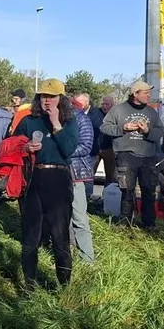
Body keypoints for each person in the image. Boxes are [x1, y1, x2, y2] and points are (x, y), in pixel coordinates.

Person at [14, 79, 80, 288]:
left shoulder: (70, 121)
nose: (47, 101)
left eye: (52, 96)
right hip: (35, 178)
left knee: (60, 238)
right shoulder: (28, 121)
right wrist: (25, 149)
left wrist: (56, 124)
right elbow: (11, 147)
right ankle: (29, 286)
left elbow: (68, 150)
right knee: (30, 237)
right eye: (43, 96)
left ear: (61, 99)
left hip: (59, 180)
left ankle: (64, 287)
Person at [100, 81, 164, 229]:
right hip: (126, 155)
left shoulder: (151, 112)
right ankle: (125, 223)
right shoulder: (118, 110)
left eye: (149, 92)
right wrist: (123, 128)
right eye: (145, 93)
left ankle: (149, 224)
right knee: (127, 191)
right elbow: (104, 127)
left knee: (149, 190)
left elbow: (159, 132)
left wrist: (148, 131)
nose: (149, 95)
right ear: (135, 94)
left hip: (148, 156)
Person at [67, 93, 96, 264]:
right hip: (57, 174)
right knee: (61, 218)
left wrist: (62, 151)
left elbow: (86, 145)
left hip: (75, 174)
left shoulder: (81, 119)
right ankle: (66, 253)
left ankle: (87, 260)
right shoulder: (50, 119)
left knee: (79, 218)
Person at [89, 96, 117, 190]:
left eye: (107, 104)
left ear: (112, 105)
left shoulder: (116, 114)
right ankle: (88, 196)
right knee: (90, 173)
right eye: (103, 104)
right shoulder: (95, 113)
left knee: (110, 175)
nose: (104, 106)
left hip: (109, 148)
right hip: (95, 148)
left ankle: (108, 197)